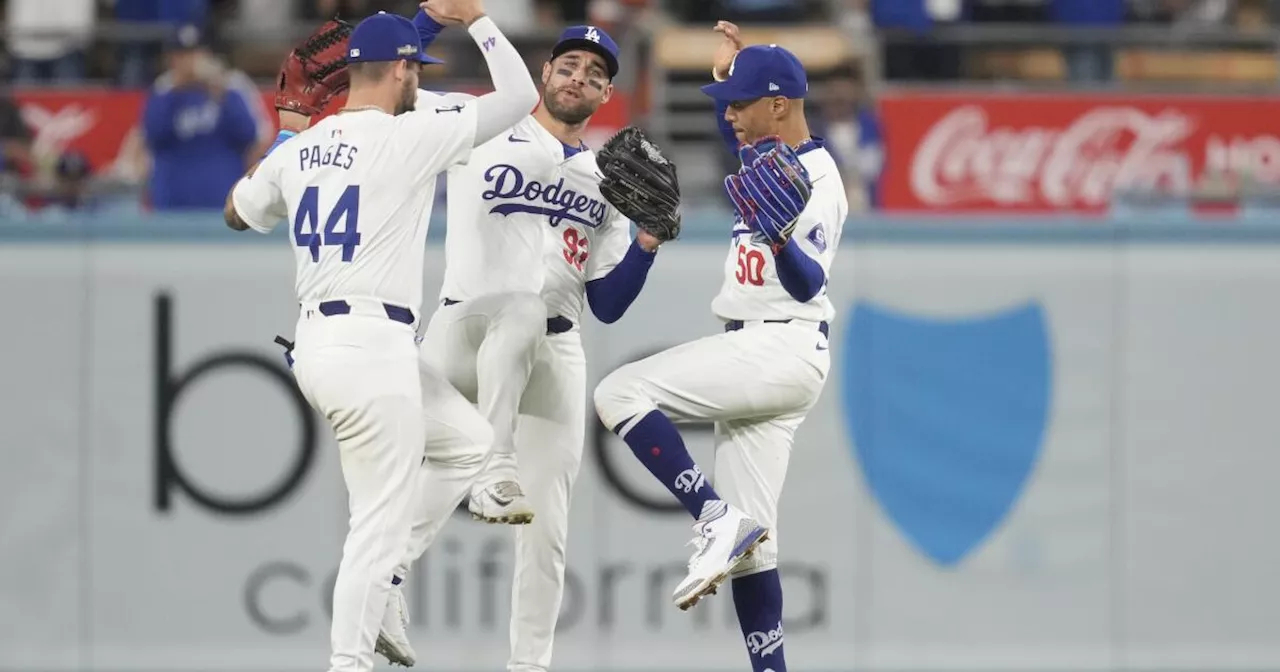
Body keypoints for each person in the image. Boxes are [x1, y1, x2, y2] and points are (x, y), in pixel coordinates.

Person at [222, 3, 540, 671]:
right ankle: (349, 660)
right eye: (416, 69)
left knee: (469, 444)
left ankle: (387, 586)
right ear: (399, 70)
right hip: (369, 347)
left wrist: (288, 137)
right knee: (375, 525)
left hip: (321, 343)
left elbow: (235, 212)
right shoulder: (413, 131)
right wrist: (478, 19)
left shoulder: (305, 146)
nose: (420, 80)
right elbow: (521, 97)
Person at [373, 18, 665, 672]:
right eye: (568, 66)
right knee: (417, 476)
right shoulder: (488, 123)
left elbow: (608, 304)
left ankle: (526, 665)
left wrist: (646, 247)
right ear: (544, 75)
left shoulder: (606, 181)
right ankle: (476, 484)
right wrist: (430, 19)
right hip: (464, 327)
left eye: (594, 75)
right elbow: (393, 95)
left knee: (548, 535)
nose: (578, 78)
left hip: (555, 349)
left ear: (605, 96)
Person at [591, 20, 847, 672]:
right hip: (766, 360)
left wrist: (783, 239)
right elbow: (748, 132)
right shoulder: (767, 159)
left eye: (740, 104)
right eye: (725, 105)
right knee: (754, 554)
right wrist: (729, 75)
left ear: (781, 106)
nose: (728, 116)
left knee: (620, 390)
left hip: (780, 346)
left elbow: (809, 280)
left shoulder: (817, 177)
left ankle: (709, 512)